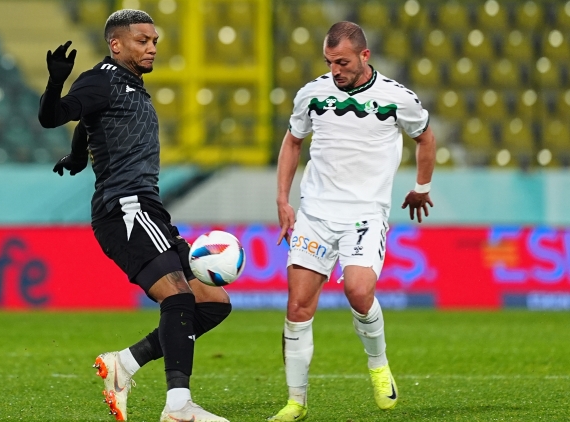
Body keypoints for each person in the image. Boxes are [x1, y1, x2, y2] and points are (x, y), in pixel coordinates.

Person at [38, 9, 232, 422]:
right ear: (116, 44)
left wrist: (78, 155)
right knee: (178, 296)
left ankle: (124, 363)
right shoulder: (100, 79)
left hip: (149, 209)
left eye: (154, 41)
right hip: (126, 207)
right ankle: (178, 406)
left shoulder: (129, 86)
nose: (152, 48)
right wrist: (55, 82)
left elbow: (90, 121)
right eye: (142, 40)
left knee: (214, 303)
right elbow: (53, 116)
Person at [269, 21, 436, 421]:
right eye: (329, 62)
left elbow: (425, 138)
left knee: (359, 292)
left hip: (364, 214)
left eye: (342, 62)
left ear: (364, 56)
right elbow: (293, 142)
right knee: (297, 306)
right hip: (316, 213)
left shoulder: (397, 98)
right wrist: (282, 200)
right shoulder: (312, 94)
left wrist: (422, 186)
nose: (335, 70)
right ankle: (296, 401)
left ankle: (378, 365)